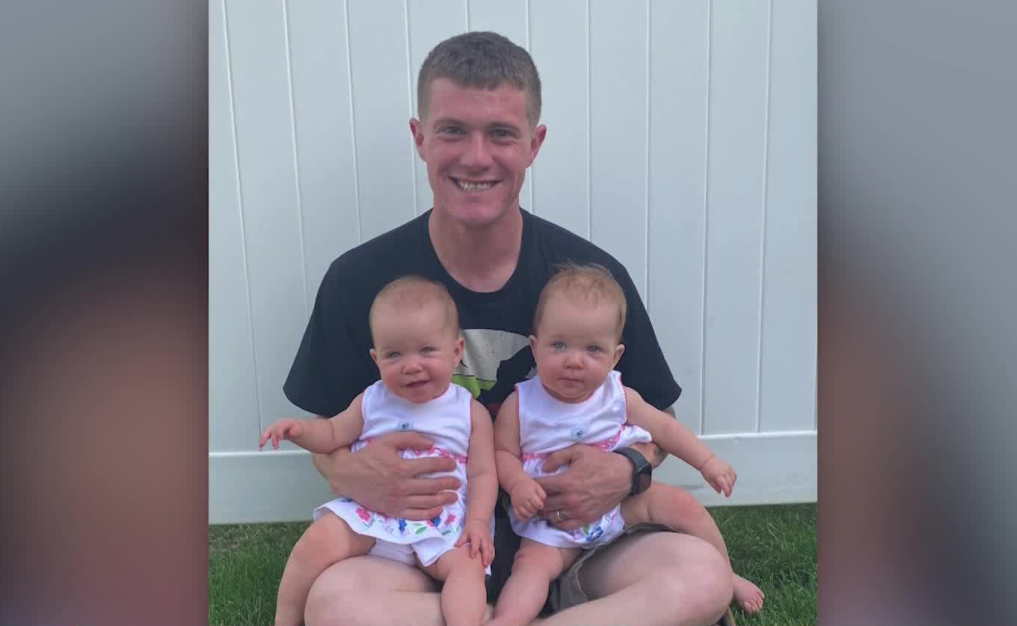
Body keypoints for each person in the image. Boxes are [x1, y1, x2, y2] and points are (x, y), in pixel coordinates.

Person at [284, 31, 735, 626]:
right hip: (424, 547)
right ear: (419, 138)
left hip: (577, 540)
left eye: (500, 133)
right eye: (453, 130)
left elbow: (656, 419)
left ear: (533, 144)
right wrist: (352, 473)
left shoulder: (590, 279)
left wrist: (628, 468)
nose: (477, 157)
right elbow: (329, 433)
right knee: (336, 605)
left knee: (701, 577)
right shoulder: (359, 280)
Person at [487, 264, 764, 626]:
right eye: (559, 345)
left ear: (615, 356)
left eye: (592, 349)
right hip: (551, 519)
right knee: (530, 567)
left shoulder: (618, 396)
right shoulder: (520, 404)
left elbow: (664, 428)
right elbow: (502, 454)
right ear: (535, 348)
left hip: (621, 503)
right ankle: (507, 620)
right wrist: (518, 483)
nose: (574, 360)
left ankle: (727, 575)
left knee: (684, 506)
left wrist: (707, 461)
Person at [262, 277, 497, 626]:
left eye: (426, 350)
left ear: (456, 351)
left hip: (443, 524)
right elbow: (332, 433)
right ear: (376, 358)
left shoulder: (469, 411)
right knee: (318, 539)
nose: (411, 365)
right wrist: (300, 431)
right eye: (394, 354)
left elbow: (483, 473)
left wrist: (477, 523)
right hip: (373, 517)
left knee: (468, 568)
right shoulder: (372, 401)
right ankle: (285, 619)